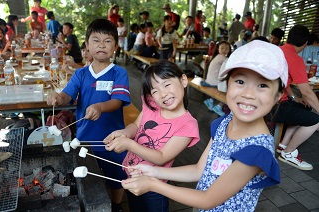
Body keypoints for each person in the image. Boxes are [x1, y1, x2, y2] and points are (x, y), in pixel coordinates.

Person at [121, 40, 287, 211]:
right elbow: (199, 170)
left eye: (262, 85)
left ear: (278, 95)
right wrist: (153, 172)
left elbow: (208, 199)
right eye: (240, 82)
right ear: (227, 84)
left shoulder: (258, 150)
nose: (248, 94)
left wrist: (152, 184)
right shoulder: (225, 122)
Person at [47, 19, 130, 212]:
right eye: (96, 40)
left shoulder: (119, 73)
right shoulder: (81, 74)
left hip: (113, 139)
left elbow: (117, 101)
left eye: (108, 41)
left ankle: (117, 206)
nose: (101, 45)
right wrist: (59, 98)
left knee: (117, 177)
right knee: (87, 177)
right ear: (87, 45)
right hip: (84, 139)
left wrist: (100, 106)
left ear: (116, 46)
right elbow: (68, 95)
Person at [104, 60, 200, 212]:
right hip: (131, 172)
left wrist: (129, 144)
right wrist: (125, 133)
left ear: (183, 80)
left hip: (155, 186)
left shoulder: (187, 125)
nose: (162, 94)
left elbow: (161, 157)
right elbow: (136, 126)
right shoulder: (152, 105)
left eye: (167, 84)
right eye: (155, 91)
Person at [273, 25, 317, 171]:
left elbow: (282, 80)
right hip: (274, 106)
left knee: (304, 107)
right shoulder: (295, 59)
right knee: (315, 120)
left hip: (268, 100)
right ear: (305, 43)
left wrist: (293, 97)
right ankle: (288, 153)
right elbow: (307, 92)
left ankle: (283, 145)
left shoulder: (277, 50)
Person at [202, 41, 232, 117]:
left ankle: (210, 101)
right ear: (218, 48)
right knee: (229, 90)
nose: (224, 50)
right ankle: (219, 106)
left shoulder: (216, 56)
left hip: (210, 80)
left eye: (226, 48)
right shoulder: (223, 58)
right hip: (214, 82)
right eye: (222, 48)